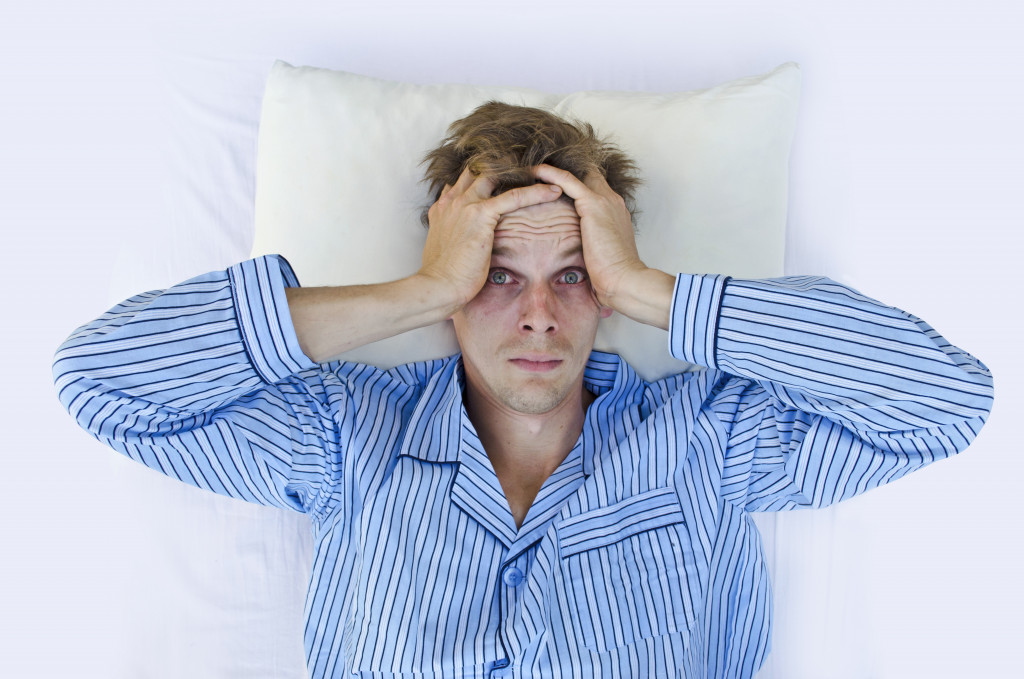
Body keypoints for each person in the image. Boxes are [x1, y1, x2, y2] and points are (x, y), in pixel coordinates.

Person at [53, 102, 993, 679]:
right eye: (498, 273)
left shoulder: (712, 437)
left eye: (574, 274)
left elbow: (943, 400)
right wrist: (413, 293)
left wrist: (652, 291)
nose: (540, 315)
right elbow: (105, 382)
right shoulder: (344, 434)